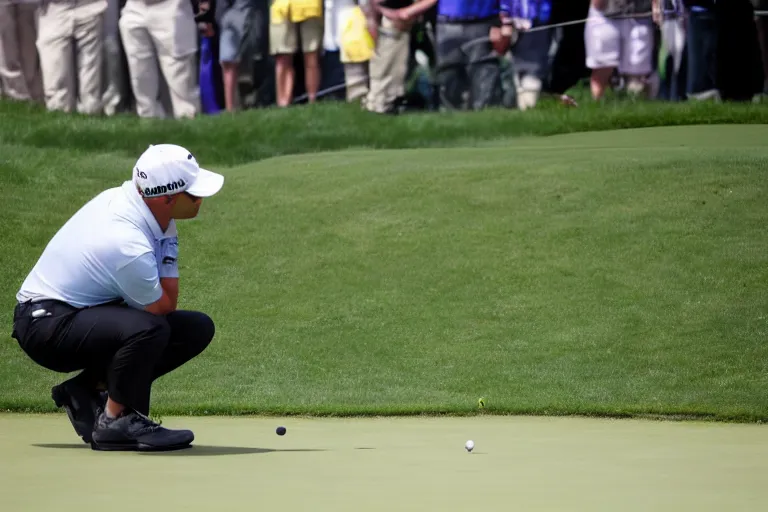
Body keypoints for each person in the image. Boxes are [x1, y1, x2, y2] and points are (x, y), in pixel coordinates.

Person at [11, 144, 224, 452]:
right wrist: (169, 241)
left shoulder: (136, 204)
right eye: (194, 194)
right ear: (167, 198)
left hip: (73, 314)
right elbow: (163, 305)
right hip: (46, 327)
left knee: (196, 328)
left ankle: (87, 391)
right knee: (152, 328)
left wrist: (168, 234)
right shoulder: (127, 242)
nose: (201, 200)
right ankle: (115, 420)